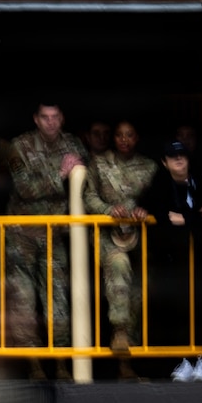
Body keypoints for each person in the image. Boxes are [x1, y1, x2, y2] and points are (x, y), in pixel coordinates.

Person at [6, 103, 86, 374]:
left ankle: (62, 363)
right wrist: (59, 175)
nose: (51, 122)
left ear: (62, 118)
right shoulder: (20, 145)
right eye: (45, 117)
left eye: (55, 117)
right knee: (23, 300)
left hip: (55, 235)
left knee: (58, 301)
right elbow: (24, 187)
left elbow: (85, 182)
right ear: (36, 120)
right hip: (22, 236)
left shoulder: (74, 145)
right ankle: (34, 365)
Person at [83, 121, 158, 377]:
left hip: (141, 237)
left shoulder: (150, 167)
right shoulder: (99, 163)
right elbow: (89, 196)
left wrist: (146, 210)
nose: (124, 139)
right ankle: (120, 330)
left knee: (137, 293)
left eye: (130, 135)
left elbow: (158, 197)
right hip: (106, 234)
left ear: (137, 138)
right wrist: (107, 210)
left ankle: (127, 365)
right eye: (119, 135)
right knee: (118, 265)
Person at [141, 138, 202, 345]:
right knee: (175, 309)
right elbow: (159, 213)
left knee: (201, 306)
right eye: (173, 156)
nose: (178, 159)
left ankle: (200, 359)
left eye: (182, 155)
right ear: (164, 162)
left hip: (200, 258)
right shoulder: (160, 184)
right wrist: (195, 216)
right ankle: (181, 361)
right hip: (172, 261)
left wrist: (188, 218)